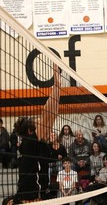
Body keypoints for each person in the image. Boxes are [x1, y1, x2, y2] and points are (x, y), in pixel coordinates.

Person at [11, 64, 60, 204]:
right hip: (29, 197)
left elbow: (53, 113)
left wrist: (57, 85)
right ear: (31, 131)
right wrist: (56, 84)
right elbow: (47, 113)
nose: (41, 121)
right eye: (38, 121)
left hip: (36, 194)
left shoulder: (33, 140)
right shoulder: (30, 141)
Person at [48, 132, 67, 197]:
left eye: (53, 135)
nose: (52, 137)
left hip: (59, 164)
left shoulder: (61, 147)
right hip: (51, 165)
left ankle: (60, 186)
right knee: (48, 169)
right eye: (51, 136)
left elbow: (65, 157)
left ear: (57, 137)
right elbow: (46, 157)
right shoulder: (48, 146)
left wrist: (62, 157)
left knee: (59, 166)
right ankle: (48, 186)